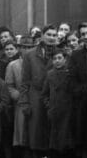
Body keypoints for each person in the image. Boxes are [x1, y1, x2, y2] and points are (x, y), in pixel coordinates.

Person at [19, 24, 57, 157]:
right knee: (36, 138)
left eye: (54, 35)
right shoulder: (30, 55)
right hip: (35, 99)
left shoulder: (60, 54)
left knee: (53, 138)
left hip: (54, 99)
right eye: (48, 35)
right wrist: (25, 103)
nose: (51, 38)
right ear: (42, 36)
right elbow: (24, 82)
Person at [69, 22, 87, 158]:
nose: (86, 37)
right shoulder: (76, 55)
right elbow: (73, 83)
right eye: (83, 34)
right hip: (84, 105)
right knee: (85, 143)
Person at [41, 49, 75, 158]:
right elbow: (45, 93)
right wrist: (49, 105)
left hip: (68, 112)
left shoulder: (70, 73)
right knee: (55, 141)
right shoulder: (50, 74)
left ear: (65, 59)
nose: (57, 61)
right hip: (54, 112)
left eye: (60, 58)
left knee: (68, 141)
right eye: (54, 59)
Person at [5, 39, 28, 155]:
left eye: (30, 47)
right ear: (19, 49)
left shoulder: (39, 63)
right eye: (24, 47)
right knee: (22, 136)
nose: (27, 50)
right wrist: (20, 96)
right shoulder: (13, 65)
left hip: (36, 102)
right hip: (20, 104)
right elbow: (9, 86)